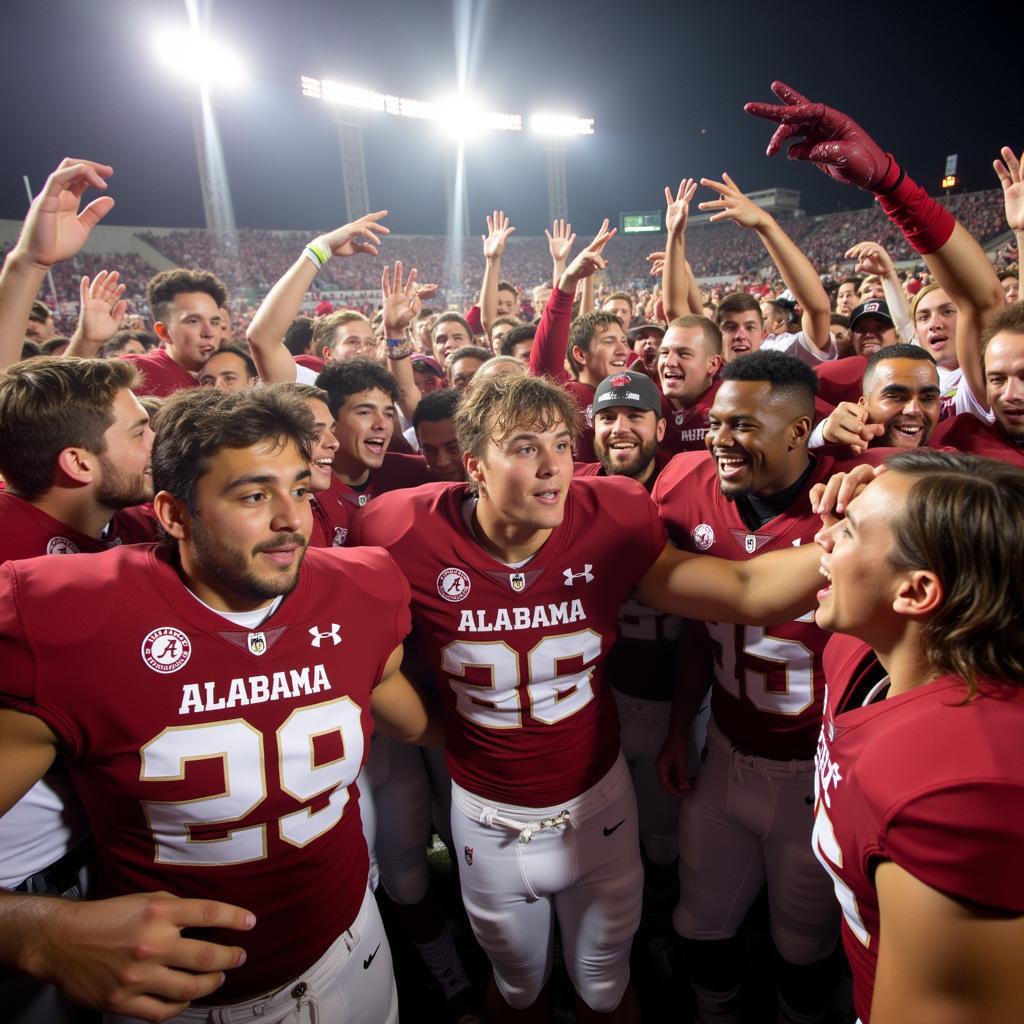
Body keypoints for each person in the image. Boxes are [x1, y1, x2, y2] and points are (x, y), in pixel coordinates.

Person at [351, 371, 846, 1024]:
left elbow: (747, 588)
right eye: (526, 447)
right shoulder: (399, 527)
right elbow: (368, 658)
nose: (554, 466)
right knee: (520, 987)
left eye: (561, 443)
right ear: (473, 464)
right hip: (487, 813)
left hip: (599, 802)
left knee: (605, 983)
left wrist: (869, 523)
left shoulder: (607, 517)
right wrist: (435, 730)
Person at [0, 385, 436, 1023]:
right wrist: (35, 931)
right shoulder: (67, 617)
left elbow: (406, 710)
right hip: (179, 998)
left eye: (301, 490)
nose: (293, 519)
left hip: (352, 947)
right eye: (255, 495)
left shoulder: (361, 585)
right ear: (173, 515)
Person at [653, 351, 887, 1024]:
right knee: (701, 923)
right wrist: (678, 727)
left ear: (799, 432)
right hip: (725, 751)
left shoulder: (858, 494)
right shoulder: (684, 481)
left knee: (804, 946)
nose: (721, 438)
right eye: (718, 422)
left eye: (745, 424)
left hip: (816, 773)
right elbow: (701, 628)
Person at [812, 450, 1024, 1023]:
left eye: (847, 531)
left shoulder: (960, 780)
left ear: (914, 593)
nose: (822, 541)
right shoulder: (862, 647)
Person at [119, 269, 228, 397]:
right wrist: (90, 343)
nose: (208, 333)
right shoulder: (133, 372)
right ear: (164, 332)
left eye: (214, 323)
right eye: (193, 321)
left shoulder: (239, 373)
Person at [656, 315, 724, 454]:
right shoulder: (647, 405)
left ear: (712, 364)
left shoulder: (731, 408)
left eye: (683, 354)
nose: (669, 362)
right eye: (664, 352)